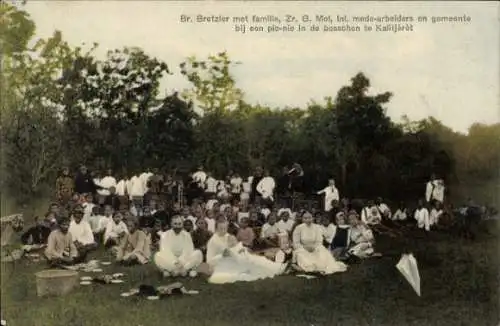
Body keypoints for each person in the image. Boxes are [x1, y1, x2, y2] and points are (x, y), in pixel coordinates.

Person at [206, 218, 287, 284]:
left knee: (254, 259)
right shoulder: (213, 241)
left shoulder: (227, 236)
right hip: (221, 264)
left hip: (233, 259)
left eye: (225, 228)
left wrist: (242, 249)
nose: (223, 230)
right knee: (250, 264)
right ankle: (277, 268)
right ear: (216, 228)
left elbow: (235, 247)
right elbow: (209, 261)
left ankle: (278, 267)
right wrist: (222, 256)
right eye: (221, 228)